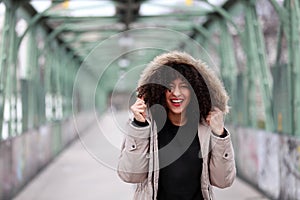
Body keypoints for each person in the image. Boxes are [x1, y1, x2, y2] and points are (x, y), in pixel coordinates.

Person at [118, 51, 236, 200]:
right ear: (159, 89)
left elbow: (223, 181)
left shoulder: (206, 128)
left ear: (195, 90)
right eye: (169, 86)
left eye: (184, 86)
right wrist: (139, 126)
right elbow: (130, 175)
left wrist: (219, 135)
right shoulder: (147, 126)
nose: (176, 93)